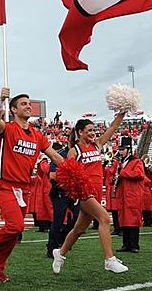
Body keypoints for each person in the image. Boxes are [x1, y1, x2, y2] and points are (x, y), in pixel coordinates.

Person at [0, 88, 64, 283]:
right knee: (15, 226)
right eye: (23, 104)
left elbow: (54, 156)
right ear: (12, 110)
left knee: (16, 232)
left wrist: (74, 169)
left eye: (29, 103)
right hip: (5, 185)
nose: (28, 106)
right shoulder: (9, 128)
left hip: (24, 187)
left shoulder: (37, 135)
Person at [52, 112, 129, 274]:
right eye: (89, 130)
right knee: (105, 218)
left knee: (79, 229)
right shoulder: (74, 151)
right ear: (80, 132)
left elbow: (113, 127)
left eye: (94, 130)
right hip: (85, 193)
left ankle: (60, 253)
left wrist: (122, 112)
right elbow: (67, 172)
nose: (93, 133)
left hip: (96, 192)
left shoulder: (97, 145)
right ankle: (110, 259)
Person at [112, 139, 147, 253]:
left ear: (128, 150)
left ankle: (134, 245)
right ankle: (126, 244)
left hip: (132, 194)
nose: (121, 152)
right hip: (124, 195)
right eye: (120, 150)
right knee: (124, 220)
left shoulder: (137, 161)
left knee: (133, 220)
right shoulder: (122, 163)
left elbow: (139, 174)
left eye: (123, 150)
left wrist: (122, 173)